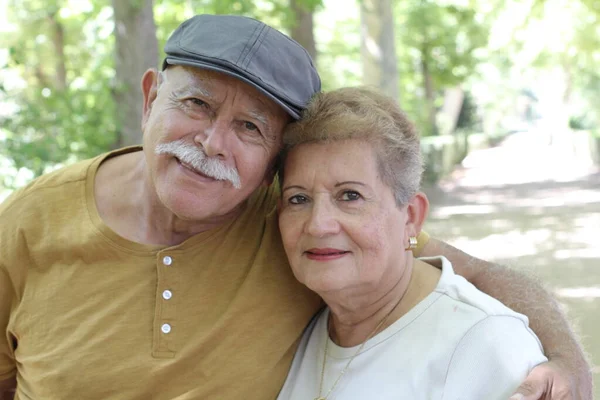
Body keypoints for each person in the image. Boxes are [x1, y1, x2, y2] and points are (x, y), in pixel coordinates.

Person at [0, 14, 591, 400]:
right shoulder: (28, 222)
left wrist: (568, 368)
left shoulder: (296, 224)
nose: (212, 143)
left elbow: (476, 278)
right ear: (152, 95)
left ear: (272, 159)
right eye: (197, 103)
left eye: (250, 128)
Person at [276, 87, 548, 399]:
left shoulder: (486, 345)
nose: (318, 224)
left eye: (350, 195)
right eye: (298, 198)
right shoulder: (309, 329)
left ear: (411, 217)